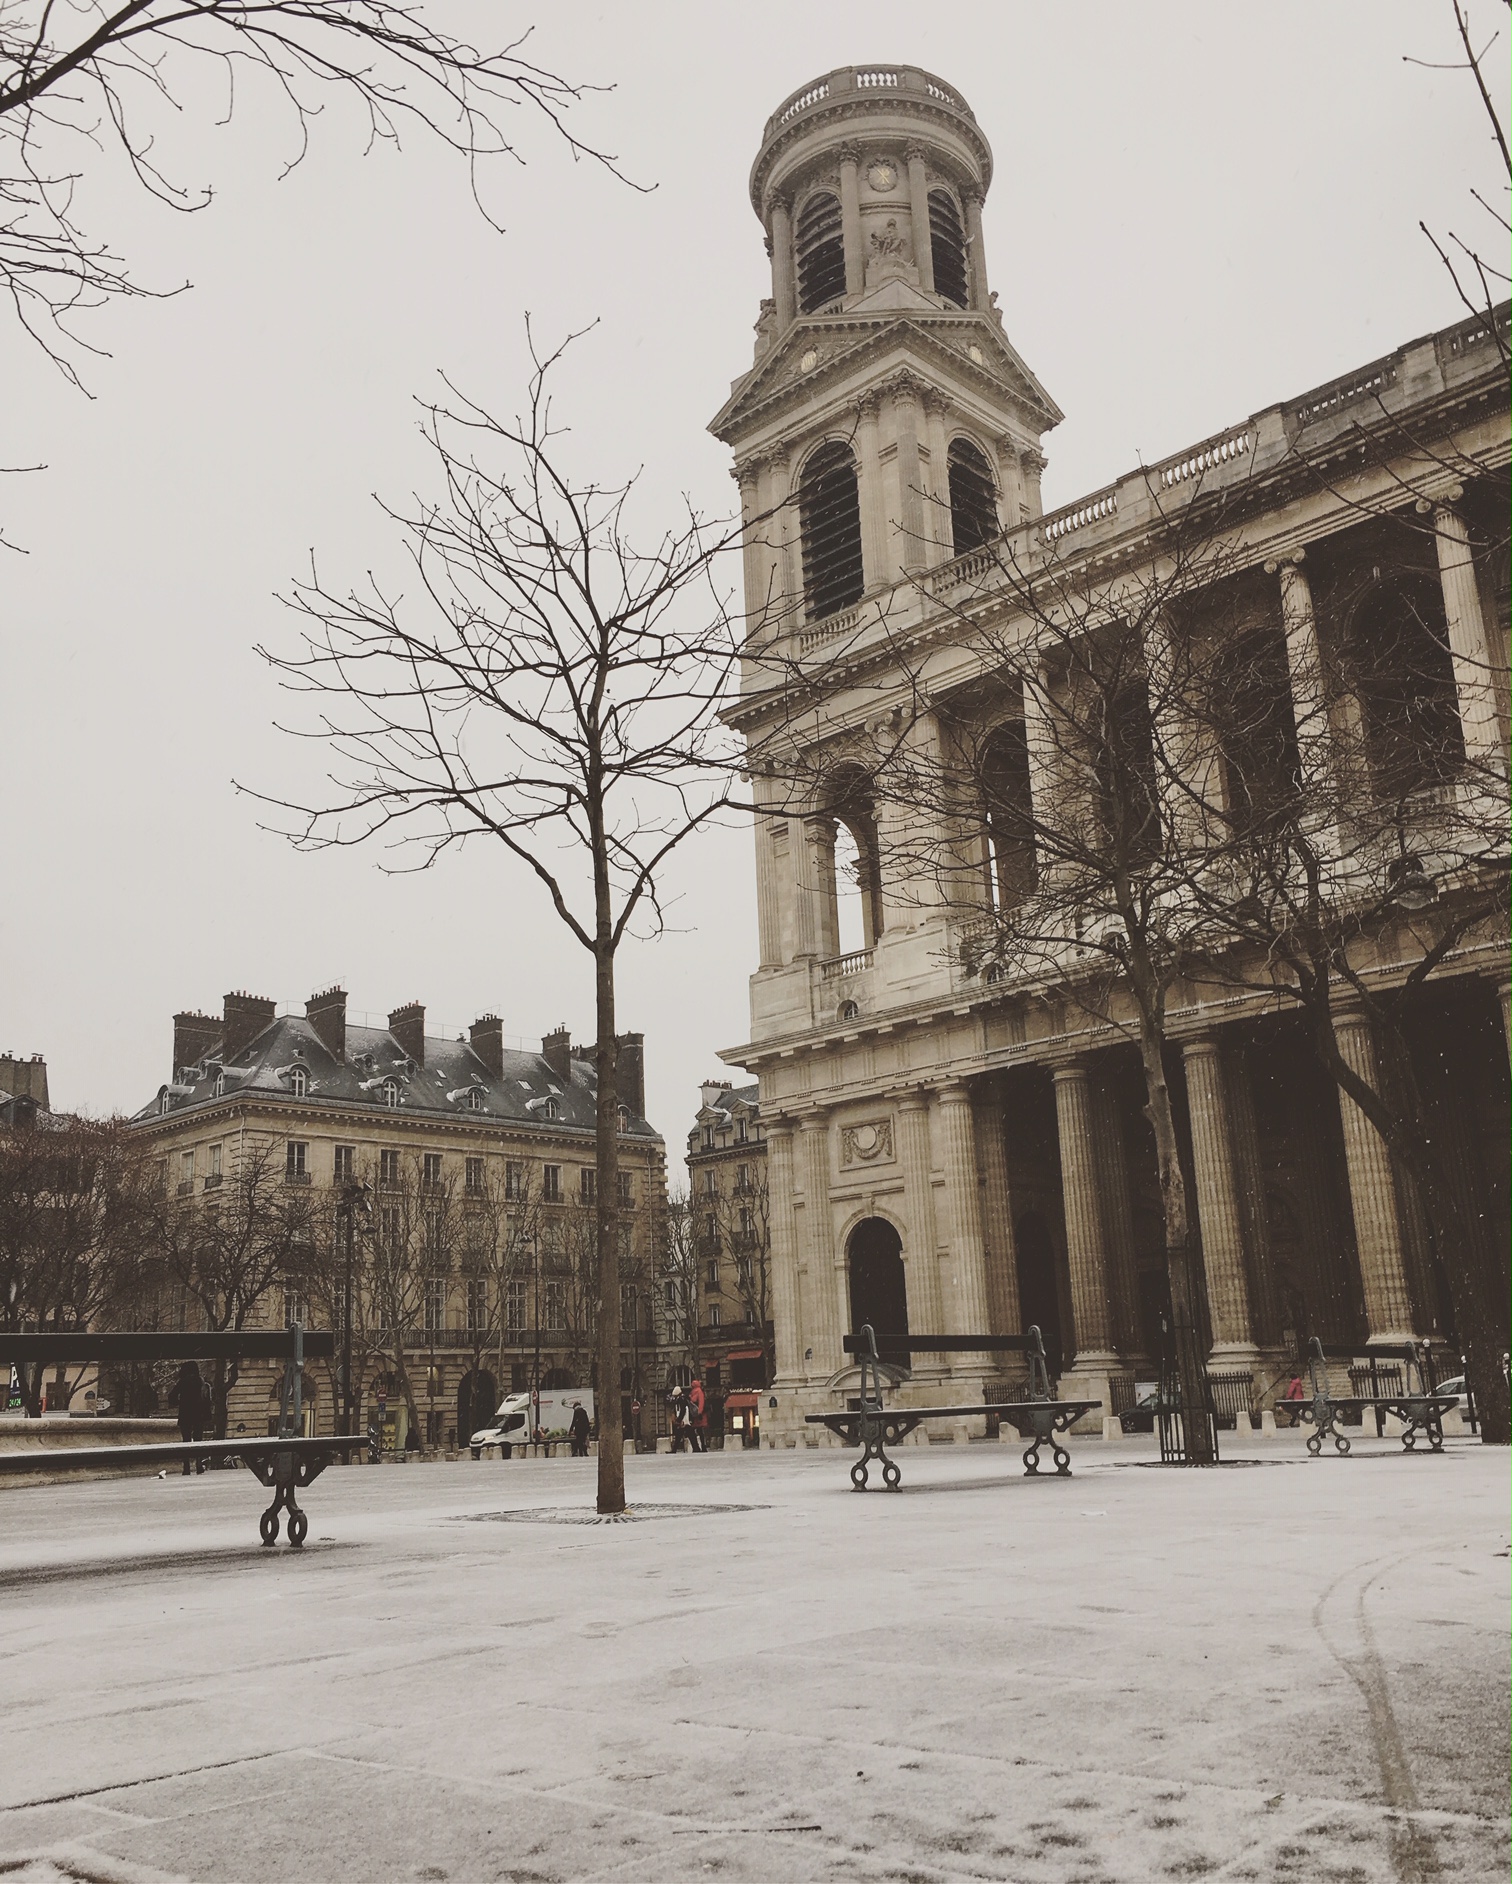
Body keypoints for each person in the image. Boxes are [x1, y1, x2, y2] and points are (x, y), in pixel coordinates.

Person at [170, 1362, 208, 1475]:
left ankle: (186, 1468)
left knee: (186, 1441)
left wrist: (180, 1403)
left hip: (185, 1414)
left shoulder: (183, 1382)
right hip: (198, 1414)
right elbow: (205, 1397)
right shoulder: (200, 1381)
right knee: (198, 1440)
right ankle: (199, 1465)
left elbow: (171, 1396)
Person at [688, 1377, 708, 1454]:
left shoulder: (696, 1392)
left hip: (698, 1415)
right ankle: (701, 1446)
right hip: (698, 1415)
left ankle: (701, 1446)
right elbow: (701, 1402)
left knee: (698, 1431)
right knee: (699, 1431)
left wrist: (699, 1412)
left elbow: (700, 1403)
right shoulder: (698, 1391)